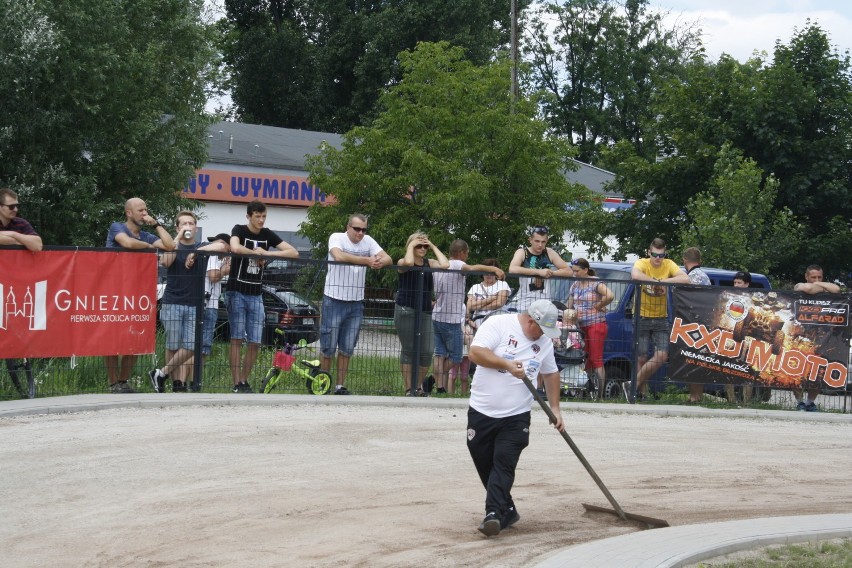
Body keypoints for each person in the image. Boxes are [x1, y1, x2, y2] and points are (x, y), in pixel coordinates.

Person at [466, 300, 565, 537]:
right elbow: (475, 353)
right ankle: (507, 508)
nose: (543, 336)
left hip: (516, 416)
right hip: (482, 410)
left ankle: (493, 514)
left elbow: (550, 374)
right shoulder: (499, 324)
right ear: (531, 320)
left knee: (504, 461)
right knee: (484, 460)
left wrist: (555, 409)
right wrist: (507, 365)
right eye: (541, 329)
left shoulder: (543, 344)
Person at [149, 212, 227, 393]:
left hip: (195, 304)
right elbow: (166, 262)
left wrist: (196, 252)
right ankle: (177, 383)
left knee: (191, 346)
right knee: (173, 345)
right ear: (177, 227)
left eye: (191, 224)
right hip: (172, 301)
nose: (188, 227)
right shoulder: (173, 245)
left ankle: (161, 373)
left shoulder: (202, 246)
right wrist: (176, 238)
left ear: (196, 227)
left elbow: (222, 246)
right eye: (184, 224)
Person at [227, 200, 299, 393]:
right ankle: (235, 383)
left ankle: (244, 380)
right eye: (257, 216)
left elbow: (294, 252)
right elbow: (234, 247)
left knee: (255, 340)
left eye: (263, 216)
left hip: (256, 294)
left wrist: (266, 254)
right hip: (237, 291)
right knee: (236, 338)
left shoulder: (267, 234)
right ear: (249, 216)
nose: (261, 220)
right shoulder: (239, 229)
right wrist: (254, 253)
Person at [104, 197, 175, 394]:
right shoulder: (116, 227)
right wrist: (150, 247)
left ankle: (123, 381)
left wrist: (157, 225)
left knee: (133, 338)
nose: (144, 213)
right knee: (111, 340)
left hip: (137, 294)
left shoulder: (146, 235)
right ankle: (113, 384)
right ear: (129, 213)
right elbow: (126, 243)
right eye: (140, 210)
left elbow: (170, 245)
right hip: (114, 292)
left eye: (146, 210)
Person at [321, 214, 392, 395]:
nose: (360, 233)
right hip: (334, 299)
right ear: (348, 227)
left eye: (363, 229)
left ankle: (339, 386)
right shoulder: (336, 237)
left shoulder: (368, 242)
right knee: (328, 346)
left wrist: (378, 262)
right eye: (357, 229)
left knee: (347, 347)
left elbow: (388, 259)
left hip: (355, 302)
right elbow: (337, 256)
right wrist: (367, 261)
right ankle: (322, 383)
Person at [431, 240, 505, 395]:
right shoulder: (457, 265)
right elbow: (472, 268)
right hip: (451, 319)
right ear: (462, 252)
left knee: (440, 353)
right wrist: (493, 268)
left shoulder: (438, 266)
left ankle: (439, 387)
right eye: (467, 253)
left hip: (437, 315)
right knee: (456, 356)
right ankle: (432, 379)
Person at [630, 238, 691, 400]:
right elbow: (635, 275)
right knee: (641, 358)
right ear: (649, 252)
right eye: (655, 255)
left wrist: (663, 282)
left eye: (661, 255)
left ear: (665, 254)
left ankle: (632, 385)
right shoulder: (642, 263)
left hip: (661, 317)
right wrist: (656, 282)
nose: (658, 258)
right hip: (642, 315)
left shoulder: (669, 264)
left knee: (662, 356)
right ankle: (640, 394)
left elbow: (685, 279)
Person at [395, 232, 448, 397]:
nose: (422, 248)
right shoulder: (402, 262)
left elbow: (445, 264)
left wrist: (431, 245)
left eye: (424, 246)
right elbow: (409, 262)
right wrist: (411, 245)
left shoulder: (429, 263)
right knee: (409, 350)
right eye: (419, 245)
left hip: (425, 310)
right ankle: (408, 389)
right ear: (411, 246)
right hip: (406, 309)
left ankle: (417, 387)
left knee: (426, 351)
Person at [792, 264, 841, 411]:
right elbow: (807, 289)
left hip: (822, 335)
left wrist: (817, 285)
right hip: (800, 333)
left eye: (820, 277)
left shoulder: (822, 286)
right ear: (806, 277)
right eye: (813, 277)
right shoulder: (799, 285)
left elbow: (837, 289)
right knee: (796, 370)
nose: (817, 280)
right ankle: (799, 401)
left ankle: (809, 402)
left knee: (819, 371)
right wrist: (821, 287)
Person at [566, 258, 614, 399]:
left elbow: (610, 295)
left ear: (585, 270)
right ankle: (587, 389)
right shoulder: (575, 286)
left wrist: (597, 306)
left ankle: (600, 395)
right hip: (580, 326)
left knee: (596, 358)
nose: (575, 274)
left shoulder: (595, 283)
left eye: (577, 271)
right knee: (584, 358)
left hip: (596, 324)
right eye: (573, 271)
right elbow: (569, 304)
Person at [192, 233, 232, 393]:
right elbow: (214, 276)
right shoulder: (215, 255)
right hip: (209, 304)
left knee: (199, 344)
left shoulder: (214, 256)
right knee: (203, 346)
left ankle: (192, 380)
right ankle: (196, 380)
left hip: (208, 302)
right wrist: (224, 271)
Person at [508, 226, 571, 312]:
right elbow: (512, 269)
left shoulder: (549, 252)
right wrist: (538, 272)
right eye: (537, 241)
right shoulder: (522, 252)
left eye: (543, 242)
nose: (540, 245)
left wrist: (550, 273)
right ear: (530, 240)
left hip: (544, 301)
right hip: (525, 302)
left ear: (547, 241)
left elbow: (568, 271)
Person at [681, 247, 712, 403]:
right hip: (705, 322)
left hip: (694, 323)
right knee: (698, 359)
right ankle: (696, 395)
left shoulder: (692, 277)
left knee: (693, 359)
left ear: (684, 260)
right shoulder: (705, 276)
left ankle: (695, 396)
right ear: (700, 260)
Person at [728, 271, 753, 403]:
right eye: (735, 282)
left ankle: (747, 402)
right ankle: (731, 400)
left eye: (739, 283)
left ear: (747, 284)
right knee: (728, 367)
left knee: (747, 369)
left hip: (748, 339)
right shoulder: (728, 297)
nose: (736, 285)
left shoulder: (754, 299)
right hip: (730, 337)